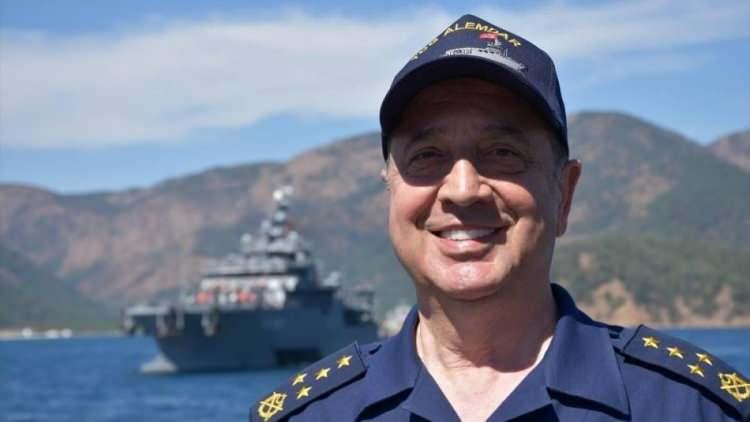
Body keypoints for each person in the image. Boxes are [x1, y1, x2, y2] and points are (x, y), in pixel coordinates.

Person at [250, 14, 749, 422]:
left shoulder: (693, 408)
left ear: (564, 193)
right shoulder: (311, 415)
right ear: (390, 190)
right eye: (427, 155)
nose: (462, 189)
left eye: (503, 153)